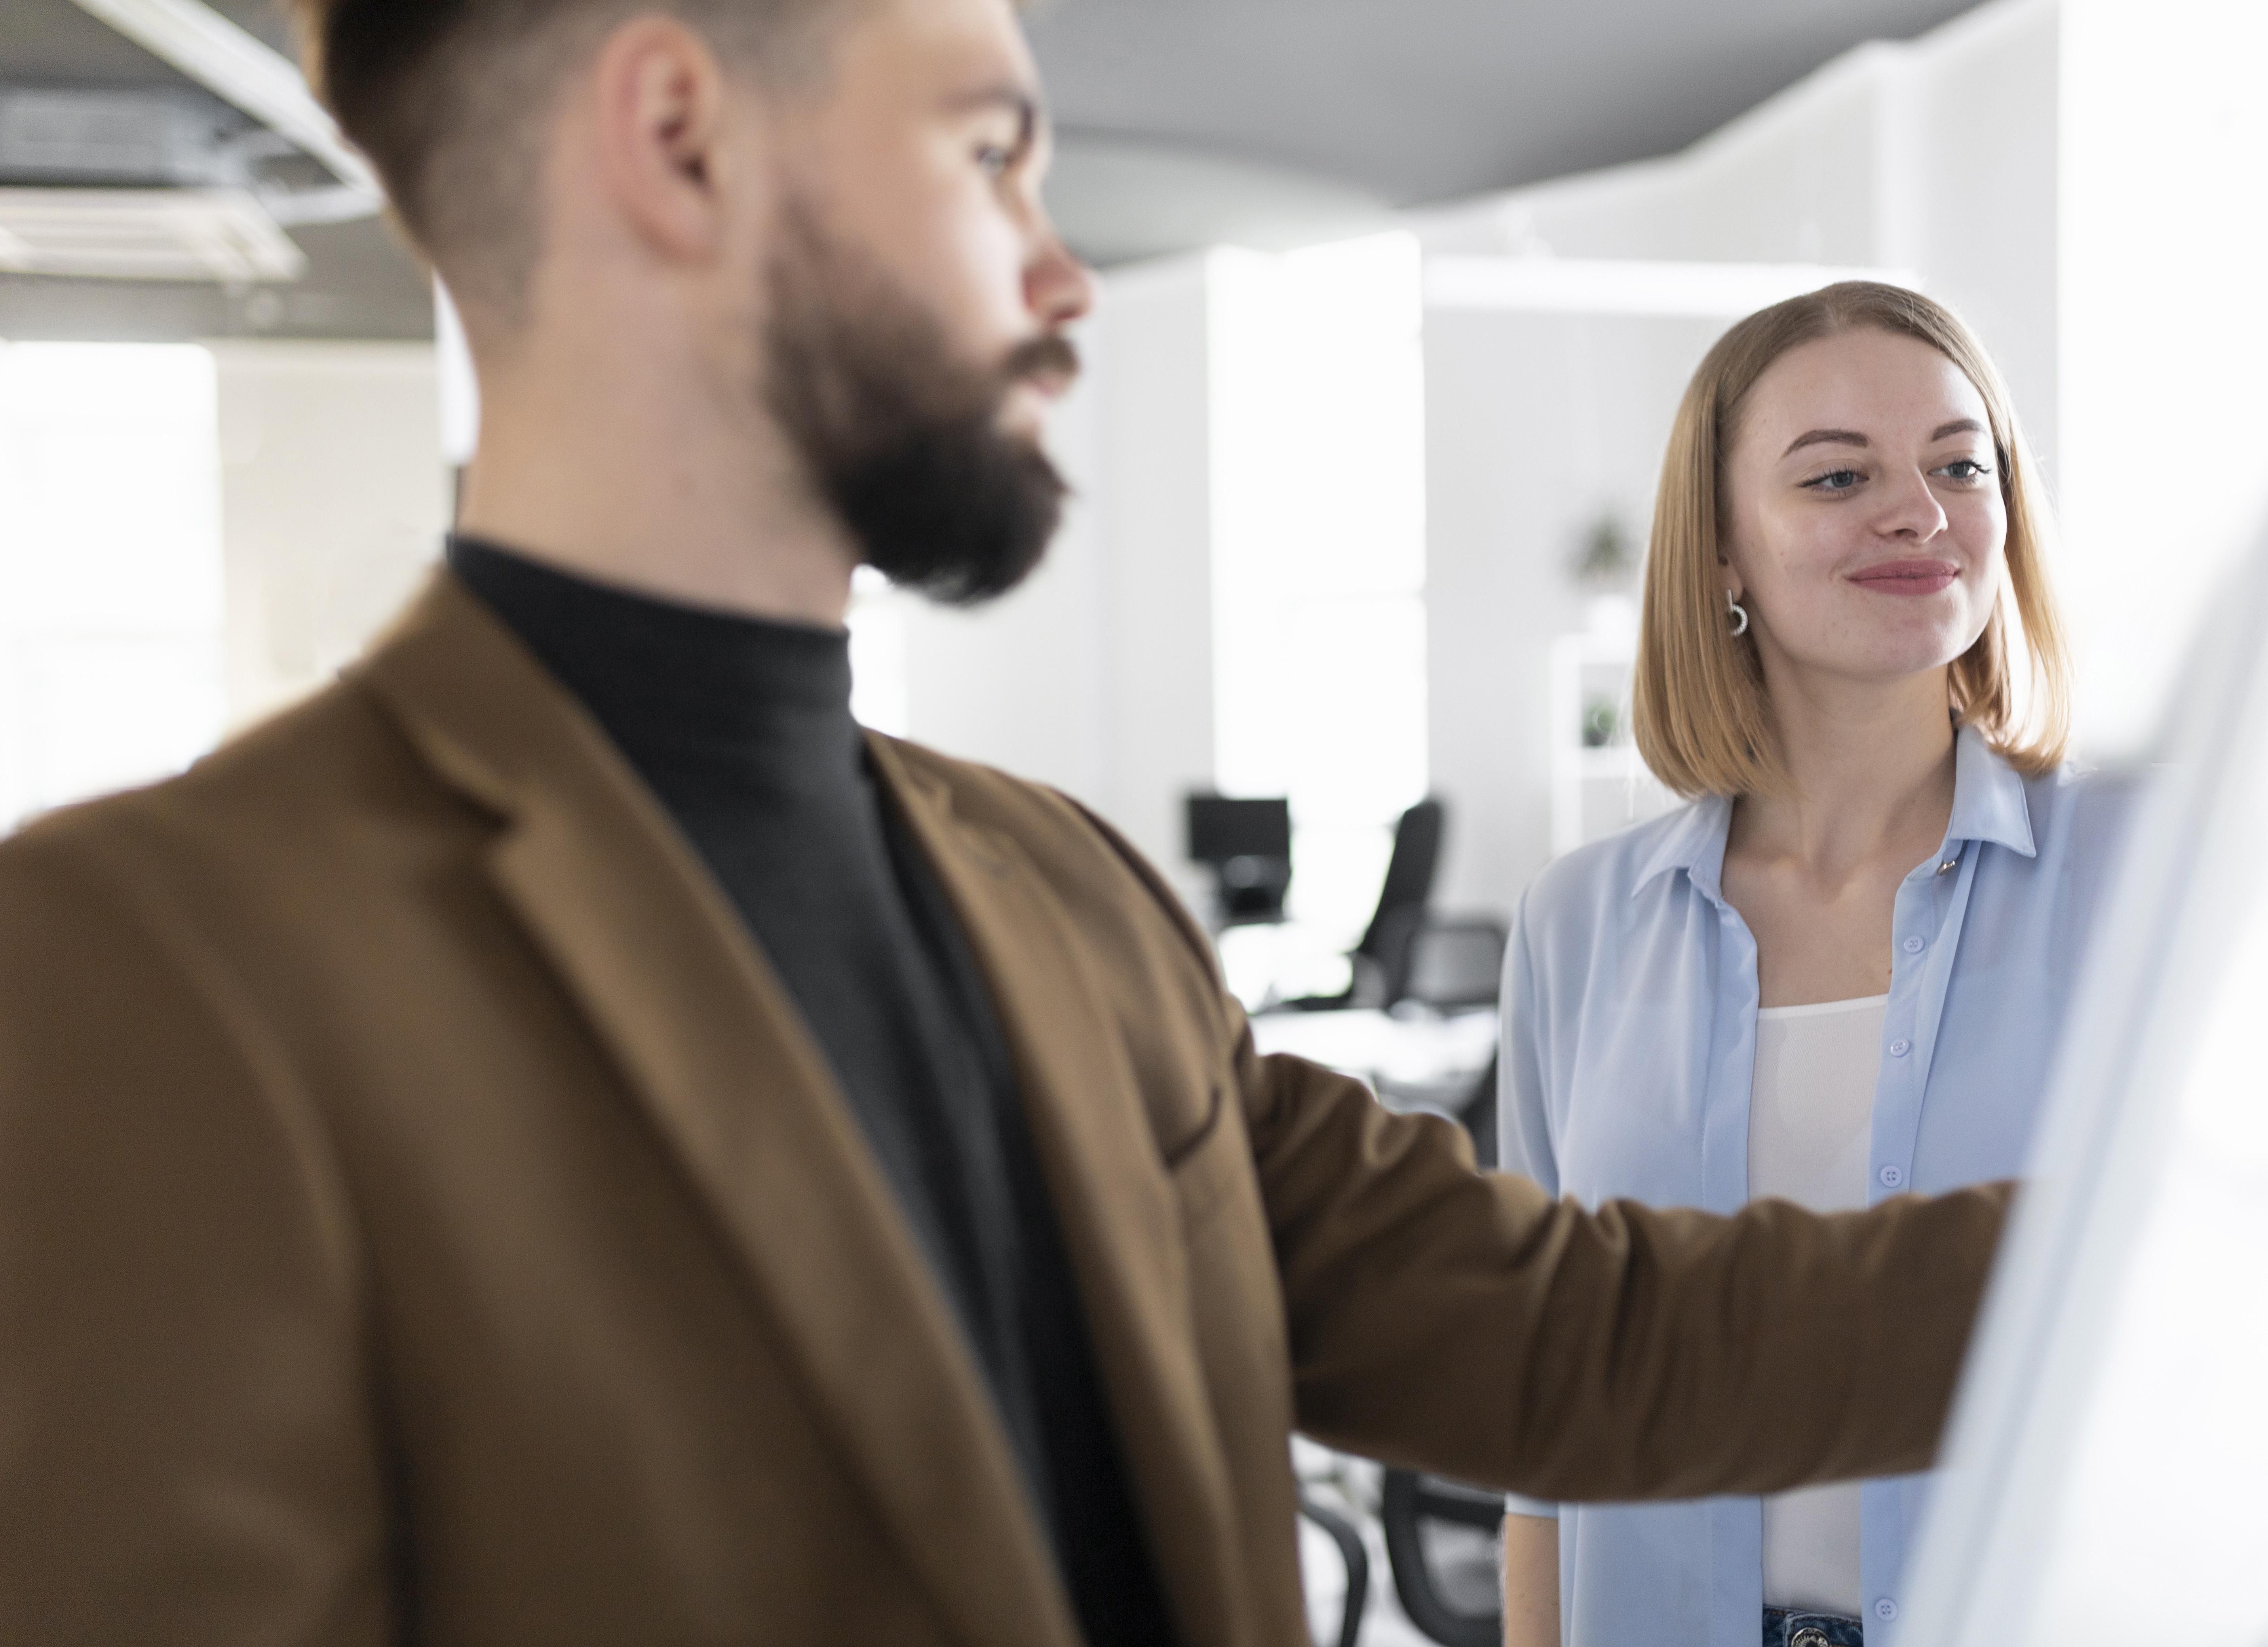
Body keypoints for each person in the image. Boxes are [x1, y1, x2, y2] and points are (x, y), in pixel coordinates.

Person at [0, 5, 2011, 1640]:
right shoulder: (150, 977)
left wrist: (2196, 1206)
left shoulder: (1060, 889)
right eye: (987, 156)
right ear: (681, 137)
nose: (1065, 276)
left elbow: (1591, 1337)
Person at [1498, 283, 2139, 1647]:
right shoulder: (1577, 926)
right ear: (1721, 551)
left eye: (1961, 464)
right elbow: (1545, 1436)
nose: (1918, 509)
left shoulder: (2141, 877)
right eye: (1839, 474)